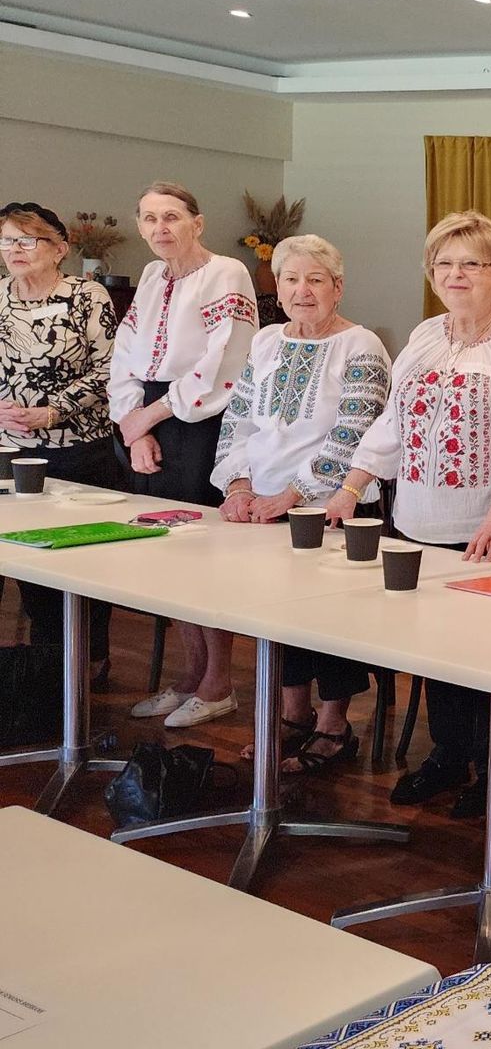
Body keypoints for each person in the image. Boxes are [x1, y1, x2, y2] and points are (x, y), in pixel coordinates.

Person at [330, 211, 491, 816]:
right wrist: (353, 484)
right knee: (436, 653)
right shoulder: (427, 335)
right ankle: (448, 757)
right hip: (418, 521)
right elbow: (393, 422)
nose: (455, 274)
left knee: (489, 657)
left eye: (470, 263)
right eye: (444, 264)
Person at [212, 235, 392, 773]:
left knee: (329, 618)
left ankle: (334, 726)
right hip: (260, 508)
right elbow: (238, 417)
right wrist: (239, 487)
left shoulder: (361, 345)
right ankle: (292, 716)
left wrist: (289, 497)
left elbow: (355, 432)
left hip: (331, 507)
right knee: (275, 615)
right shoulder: (266, 340)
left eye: (315, 279)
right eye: (291, 279)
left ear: (338, 288)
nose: (301, 290)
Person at [110, 182, 257, 728]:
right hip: (150, 419)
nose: (159, 229)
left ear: (197, 222)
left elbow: (225, 362)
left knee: (203, 557)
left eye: (171, 217)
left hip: (202, 421)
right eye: (149, 219)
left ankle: (220, 682)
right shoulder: (151, 276)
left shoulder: (227, 273)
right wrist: (134, 424)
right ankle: (191, 675)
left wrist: (151, 415)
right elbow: (125, 355)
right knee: (166, 554)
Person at [0, 202, 130, 677]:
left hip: (80, 449)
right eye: (7, 240)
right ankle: (46, 670)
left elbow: (111, 367)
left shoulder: (86, 295)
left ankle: (88, 660)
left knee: (82, 565)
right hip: (12, 455)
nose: (14, 250)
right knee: (30, 566)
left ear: (59, 248)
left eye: (27, 239)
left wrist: (54, 410)